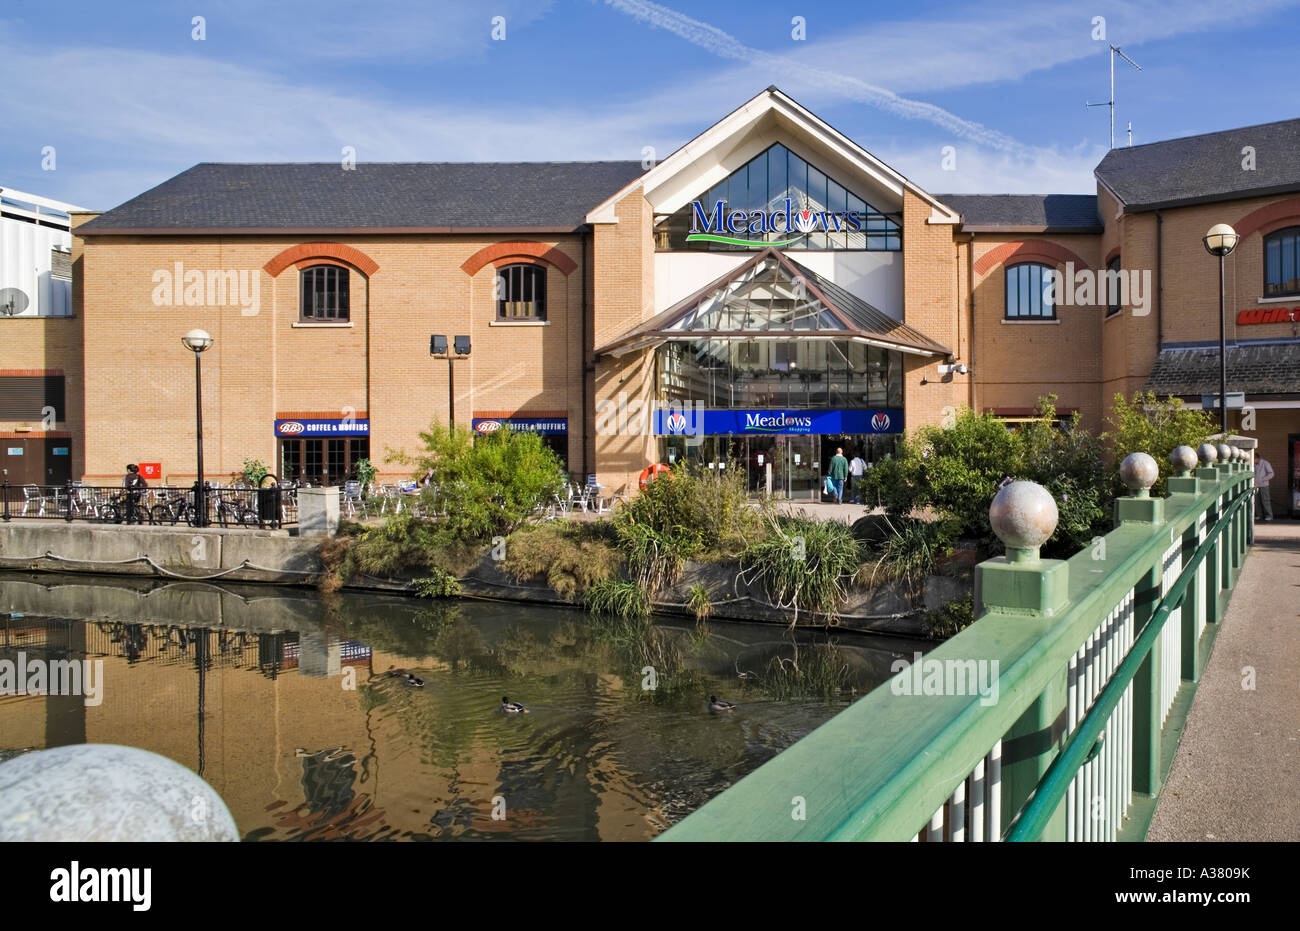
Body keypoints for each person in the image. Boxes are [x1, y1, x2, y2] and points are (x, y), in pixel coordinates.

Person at [1254, 455, 1275, 522]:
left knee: (1265, 501)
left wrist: (1263, 479)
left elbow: (1271, 474)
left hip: (1264, 485)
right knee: (1256, 501)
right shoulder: (1254, 464)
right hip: (1255, 485)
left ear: (1257, 458)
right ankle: (1258, 515)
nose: (1253, 461)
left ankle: (1269, 516)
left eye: (1254, 459)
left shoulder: (1265, 463)